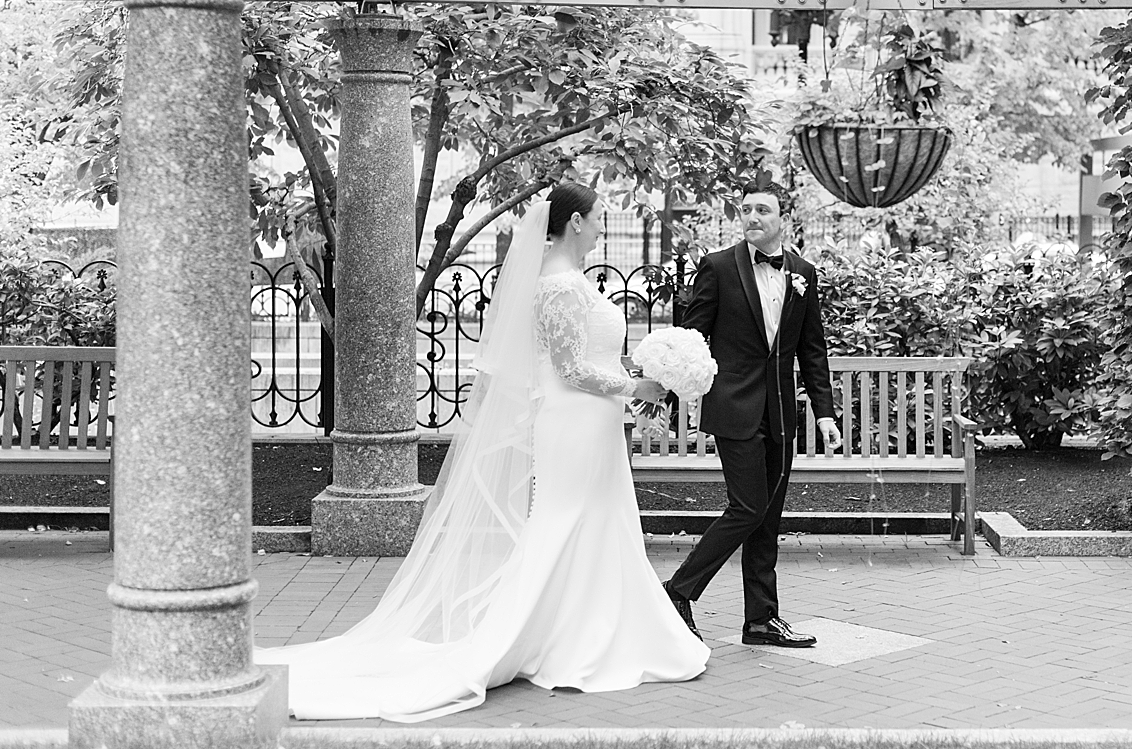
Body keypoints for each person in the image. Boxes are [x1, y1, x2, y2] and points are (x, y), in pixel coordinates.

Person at [256, 183, 708, 722]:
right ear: (575, 223)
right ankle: (551, 637)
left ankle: (585, 629)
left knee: (596, 520)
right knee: (567, 520)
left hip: (594, 420)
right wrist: (638, 387)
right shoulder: (560, 286)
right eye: (598, 218)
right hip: (574, 420)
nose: (602, 227)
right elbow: (569, 370)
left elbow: (588, 355)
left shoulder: (572, 283)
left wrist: (639, 369)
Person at [662, 183, 843, 648]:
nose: (753, 217)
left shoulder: (803, 273)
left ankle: (761, 620)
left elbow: (812, 350)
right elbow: (692, 338)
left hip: (782, 412)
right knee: (748, 507)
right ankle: (677, 592)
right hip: (735, 408)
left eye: (763, 210)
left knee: (769, 518)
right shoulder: (719, 267)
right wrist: (666, 390)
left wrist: (825, 413)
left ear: (785, 218)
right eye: (747, 210)